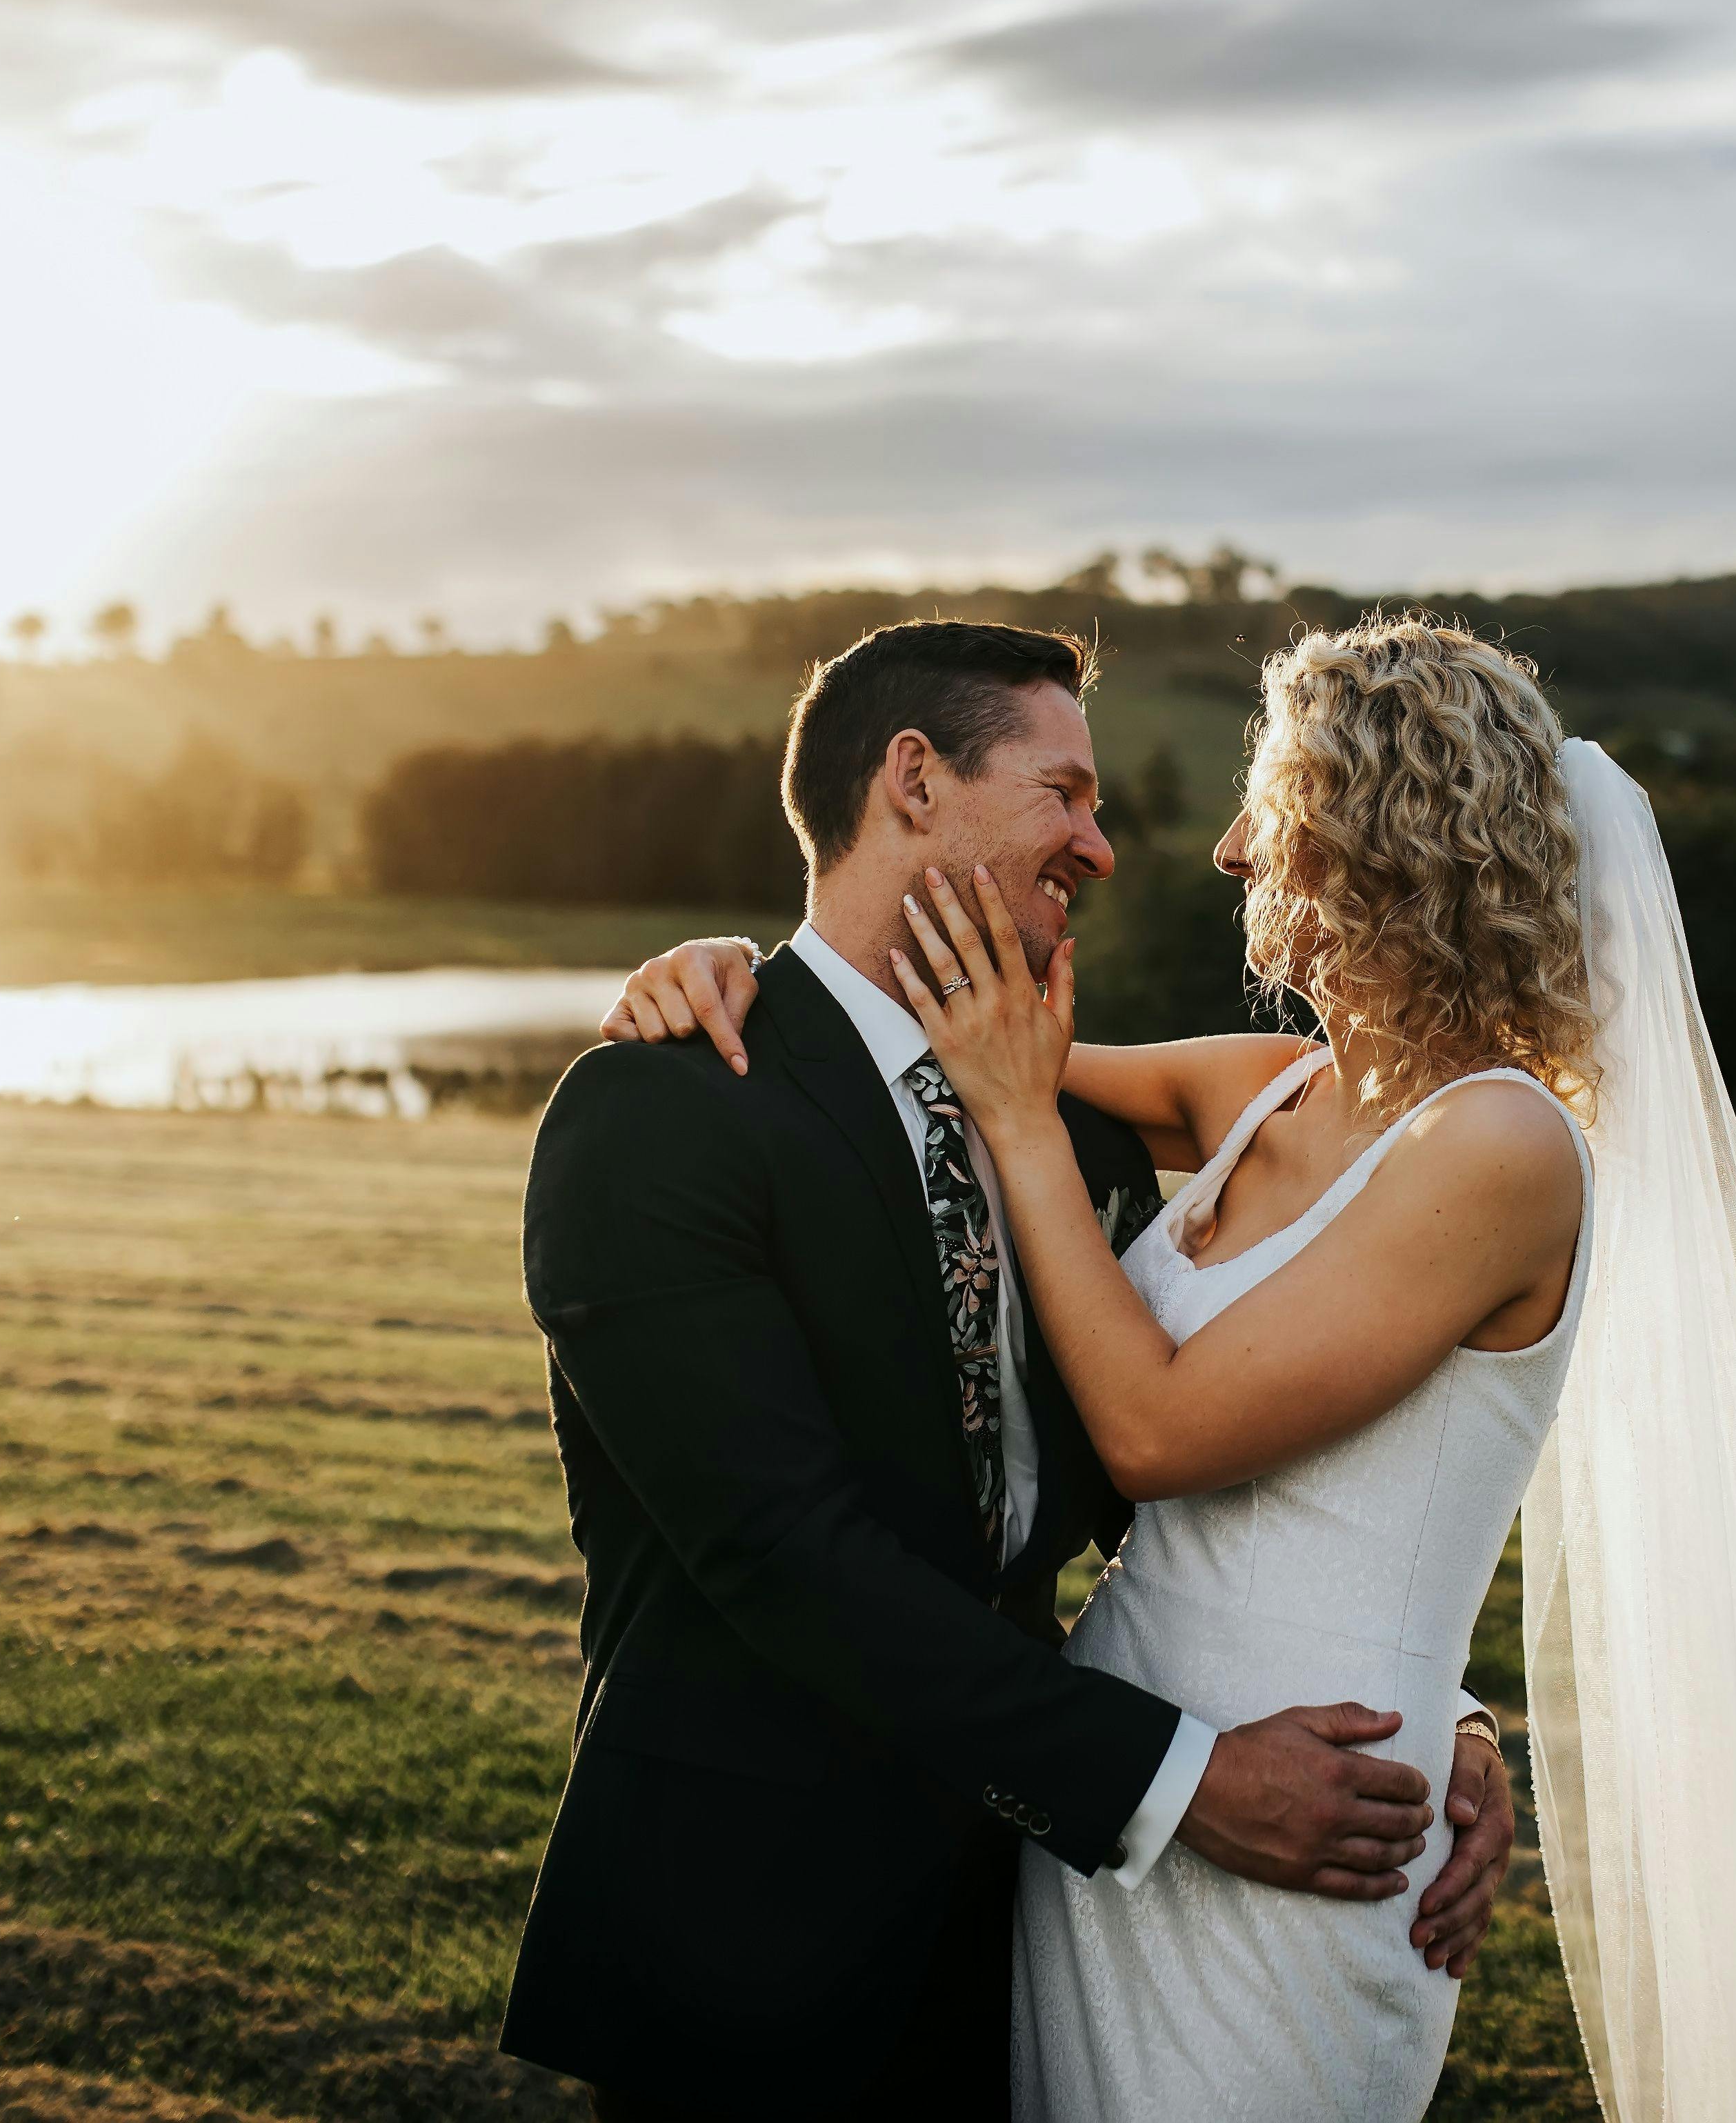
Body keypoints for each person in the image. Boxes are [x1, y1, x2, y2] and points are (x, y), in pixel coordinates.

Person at [608, 615, 1736, 2120]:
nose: (1230, 851)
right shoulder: (1268, 1090)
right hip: (1114, 1799)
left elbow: (1160, 1424)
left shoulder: (1499, 1147)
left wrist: (1030, 1130)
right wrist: (725, 969)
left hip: (1311, 1817)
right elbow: (916, 1056)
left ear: (1379, 833)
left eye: (1272, 804)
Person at [499, 619, 1519, 2122]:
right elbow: (786, 1560)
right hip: (751, 1940)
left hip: (1034, 1923)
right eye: (1066, 794)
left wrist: (1446, 1715)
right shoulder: (663, 1115)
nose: (1100, 848)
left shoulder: (1064, 1128)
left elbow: (1195, 1481)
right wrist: (1181, 1783)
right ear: (913, 780)